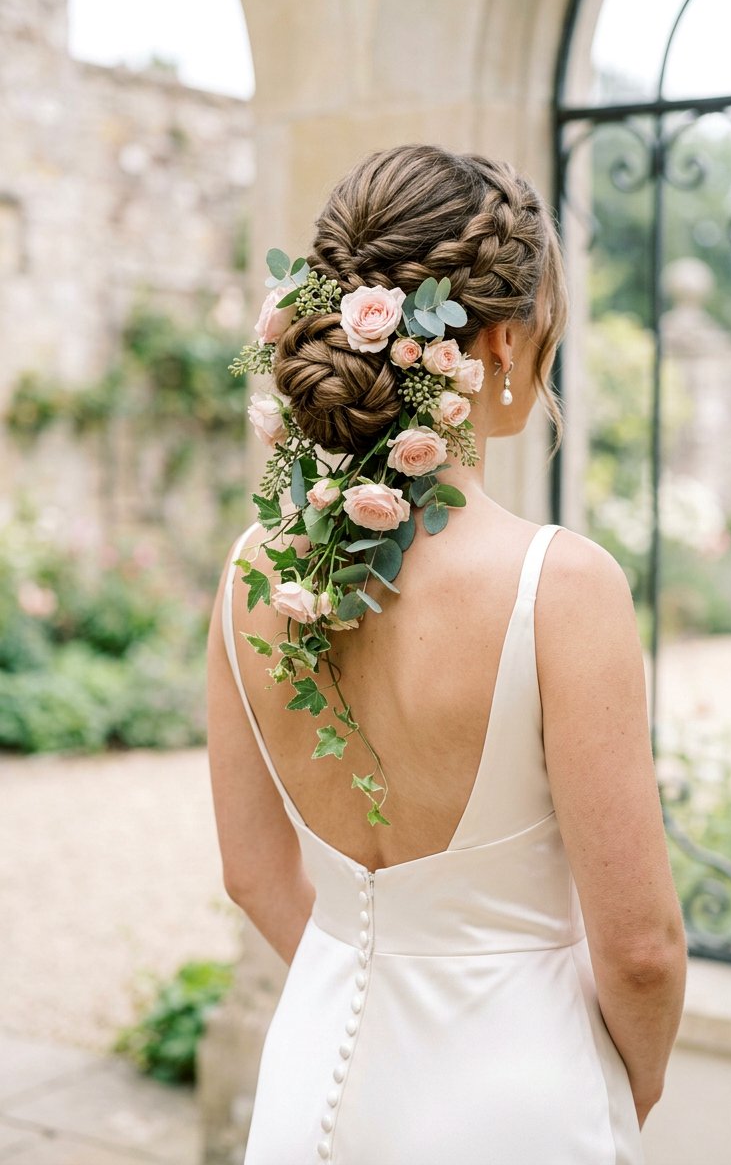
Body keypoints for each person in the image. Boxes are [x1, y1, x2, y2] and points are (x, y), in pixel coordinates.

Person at [206, 143, 687, 1164]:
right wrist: (615, 1087)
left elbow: (252, 872)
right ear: (504, 341)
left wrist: (367, 979)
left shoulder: (253, 569)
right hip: (516, 1097)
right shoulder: (562, 585)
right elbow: (640, 953)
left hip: (310, 1081)